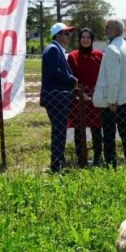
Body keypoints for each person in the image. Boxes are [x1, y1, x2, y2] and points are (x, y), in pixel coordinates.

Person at [93, 18, 126, 168]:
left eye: (108, 27)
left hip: (115, 101)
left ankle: (111, 165)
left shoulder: (112, 49)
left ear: (117, 30)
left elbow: (114, 79)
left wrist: (111, 101)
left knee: (109, 135)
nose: (105, 29)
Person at [40, 22, 77, 173]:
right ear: (58, 35)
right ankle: (57, 165)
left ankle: (58, 161)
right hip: (56, 97)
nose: (69, 36)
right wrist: (72, 80)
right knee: (59, 131)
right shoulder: (53, 50)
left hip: (58, 97)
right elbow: (57, 72)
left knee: (59, 130)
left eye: (69, 33)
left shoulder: (56, 49)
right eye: (66, 33)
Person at [67, 28, 103, 167]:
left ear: (92, 39)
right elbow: (71, 79)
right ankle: (81, 159)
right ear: (80, 39)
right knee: (79, 130)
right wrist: (80, 94)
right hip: (79, 100)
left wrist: (95, 95)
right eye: (83, 37)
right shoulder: (73, 56)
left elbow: (102, 77)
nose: (85, 39)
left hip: (95, 99)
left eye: (88, 37)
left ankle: (98, 158)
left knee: (96, 130)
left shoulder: (99, 55)